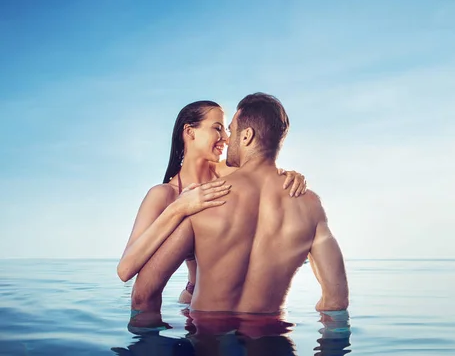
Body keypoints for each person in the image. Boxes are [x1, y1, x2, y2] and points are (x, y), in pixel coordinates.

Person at [134, 92, 349, 315]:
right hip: (272, 339)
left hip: (210, 340)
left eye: (232, 130)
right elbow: (336, 301)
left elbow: (143, 296)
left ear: (246, 136)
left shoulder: (204, 198)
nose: (227, 139)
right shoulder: (310, 205)